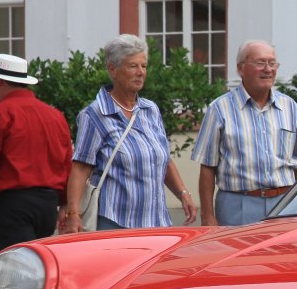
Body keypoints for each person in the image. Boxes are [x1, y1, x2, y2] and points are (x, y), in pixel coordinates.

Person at [60, 36, 196, 232]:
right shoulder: (95, 115)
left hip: (156, 222)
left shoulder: (150, 110)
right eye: (133, 66)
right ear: (112, 69)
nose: (141, 72)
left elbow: (164, 159)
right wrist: (73, 214)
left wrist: (183, 193)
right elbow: (81, 168)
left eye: (144, 66)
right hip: (115, 222)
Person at [192, 40, 297, 226]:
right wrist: (207, 216)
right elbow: (208, 167)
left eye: (272, 63)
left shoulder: (290, 107)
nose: (268, 69)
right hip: (237, 206)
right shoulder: (219, 109)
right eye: (260, 63)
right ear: (241, 68)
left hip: (284, 204)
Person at [0, 54, 72, 251]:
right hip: (47, 205)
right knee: (38, 261)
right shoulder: (55, 116)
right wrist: (65, 203)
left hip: (14, 203)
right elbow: (65, 162)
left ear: (0, 81)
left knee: (17, 263)